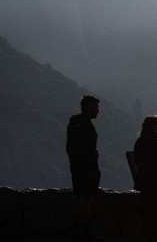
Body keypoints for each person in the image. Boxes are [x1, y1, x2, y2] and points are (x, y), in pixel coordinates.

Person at [66, 94, 101, 239]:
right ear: (89, 108)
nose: (98, 111)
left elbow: (70, 147)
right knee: (85, 198)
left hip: (78, 166)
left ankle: (76, 227)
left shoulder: (75, 124)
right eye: (96, 107)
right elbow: (86, 148)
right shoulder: (85, 125)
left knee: (79, 196)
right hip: (86, 168)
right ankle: (85, 230)